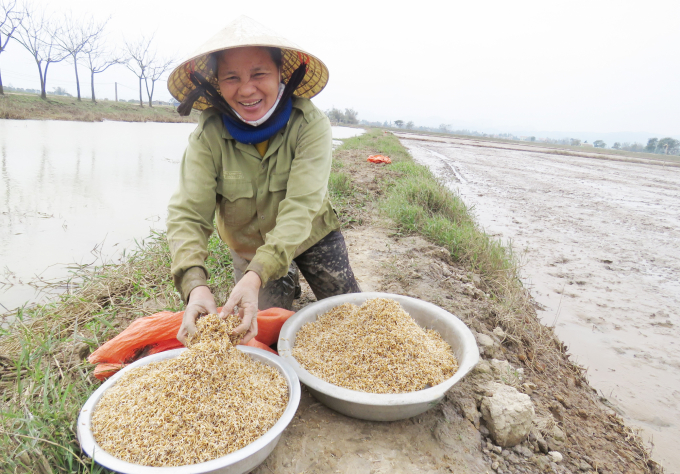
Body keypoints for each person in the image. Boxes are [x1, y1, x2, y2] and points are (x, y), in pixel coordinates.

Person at [165, 16, 360, 345]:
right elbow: (187, 212)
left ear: (280, 73)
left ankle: (289, 270)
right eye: (231, 77)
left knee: (353, 316)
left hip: (312, 235)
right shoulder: (208, 134)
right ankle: (283, 280)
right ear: (216, 83)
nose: (246, 89)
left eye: (259, 74)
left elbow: (302, 205)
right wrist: (194, 282)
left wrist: (258, 274)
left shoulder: (310, 124)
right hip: (249, 246)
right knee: (264, 335)